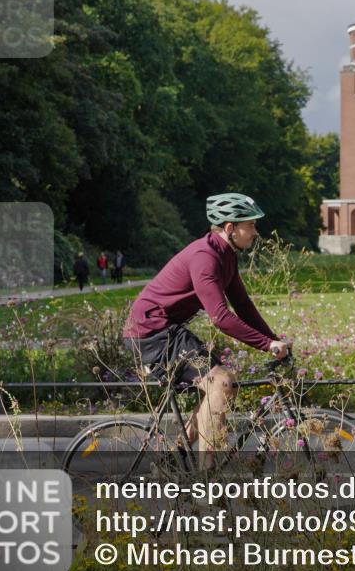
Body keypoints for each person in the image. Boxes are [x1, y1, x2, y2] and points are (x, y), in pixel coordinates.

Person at [122, 193, 290, 456]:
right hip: (151, 332)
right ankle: (206, 480)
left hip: (167, 329)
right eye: (251, 225)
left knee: (220, 387)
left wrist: (273, 339)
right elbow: (220, 317)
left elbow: (243, 306)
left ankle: (173, 459)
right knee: (221, 382)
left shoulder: (226, 256)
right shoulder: (205, 256)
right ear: (230, 228)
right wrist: (267, 344)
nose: (256, 233)